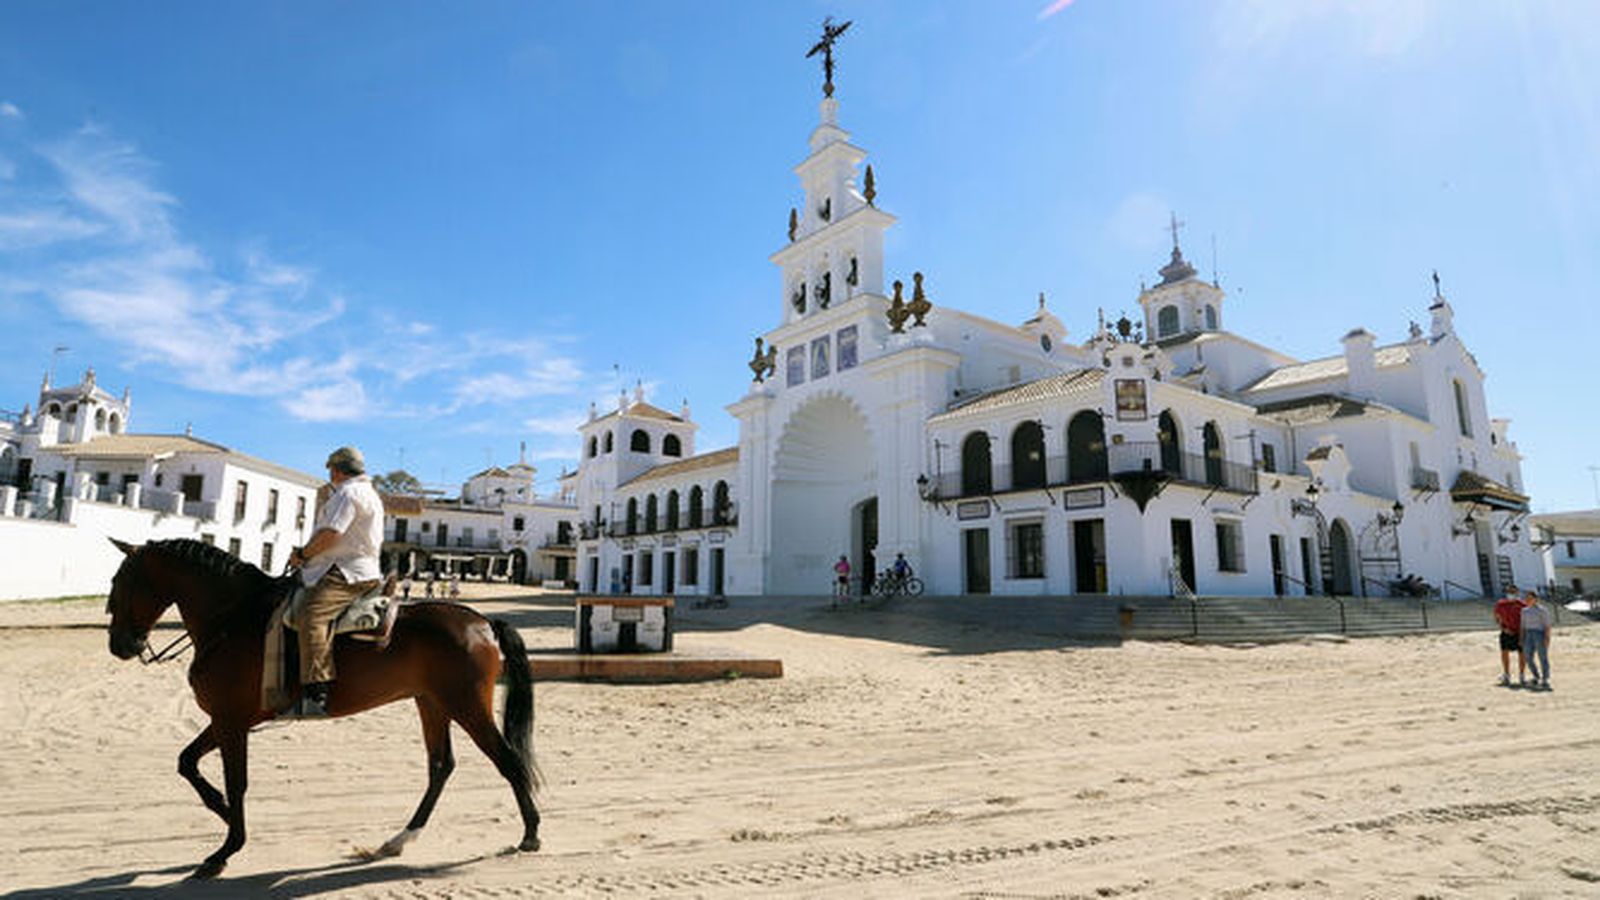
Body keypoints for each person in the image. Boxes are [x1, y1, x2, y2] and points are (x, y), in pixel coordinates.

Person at [287, 446, 384, 718]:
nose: (330, 473)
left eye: (330, 468)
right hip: (344, 567)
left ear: (337, 469)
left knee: (311, 614)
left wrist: (303, 554)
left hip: (346, 571)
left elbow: (331, 535)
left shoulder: (348, 493)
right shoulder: (364, 492)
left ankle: (316, 691)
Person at [1519, 590, 1554, 690]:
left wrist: (1547, 638)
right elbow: (1522, 626)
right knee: (1528, 656)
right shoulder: (1524, 611)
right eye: (1527, 598)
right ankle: (1536, 675)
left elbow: (1547, 625)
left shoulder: (1543, 610)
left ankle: (1545, 678)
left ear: (1535, 599)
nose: (1528, 600)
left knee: (1542, 656)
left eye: (1530, 598)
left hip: (1539, 634)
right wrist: (1521, 638)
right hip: (1528, 634)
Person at [1492, 584, 1525, 686]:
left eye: (1513, 592)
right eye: (1509, 592)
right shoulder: (1500, 604)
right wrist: (1504, 629)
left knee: (1522, 654)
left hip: (1520, 633)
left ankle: (1522, 676)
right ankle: (1506, 675)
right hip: (1506, 632)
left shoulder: (1522, 605)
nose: (1511, 594)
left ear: (1517, 593)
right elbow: (1496, 618)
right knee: (1504, 653)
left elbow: (1527, 619)